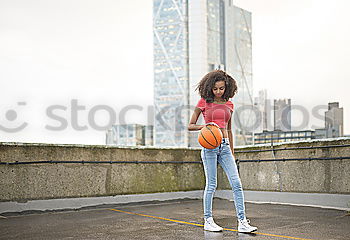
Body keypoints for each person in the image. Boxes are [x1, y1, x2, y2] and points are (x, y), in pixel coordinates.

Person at [188, 70, 257, 233]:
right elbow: (190, 125)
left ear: (227, 88)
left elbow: (230, 130)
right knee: (211, 184)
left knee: (237, 183)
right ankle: (208, 220)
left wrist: (232, 151)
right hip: (209, 147)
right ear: (209, 88)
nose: (218, 91)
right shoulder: (203, 102)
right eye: (215, 89)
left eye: (221, 88)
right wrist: (204, 126)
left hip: (225, 146)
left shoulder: (230, 105)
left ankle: (242, 222)